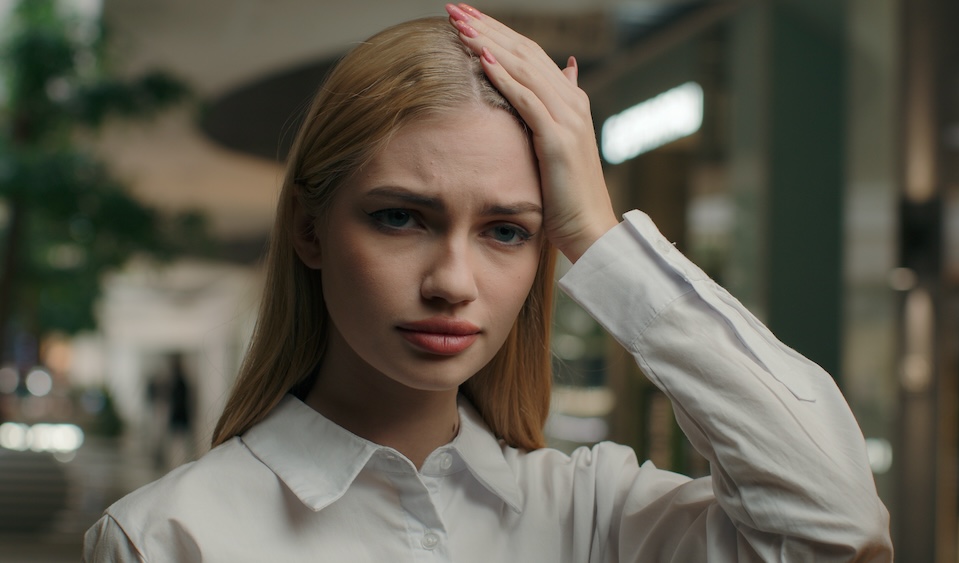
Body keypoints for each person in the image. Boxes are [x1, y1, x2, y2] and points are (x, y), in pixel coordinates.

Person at [84, 5, 893, 561]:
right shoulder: (167, 536)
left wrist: (601, 238)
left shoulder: (595, 514)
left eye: (507, 231)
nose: (452, 282)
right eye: (402, 217)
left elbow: (834, 528)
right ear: (309, 230)